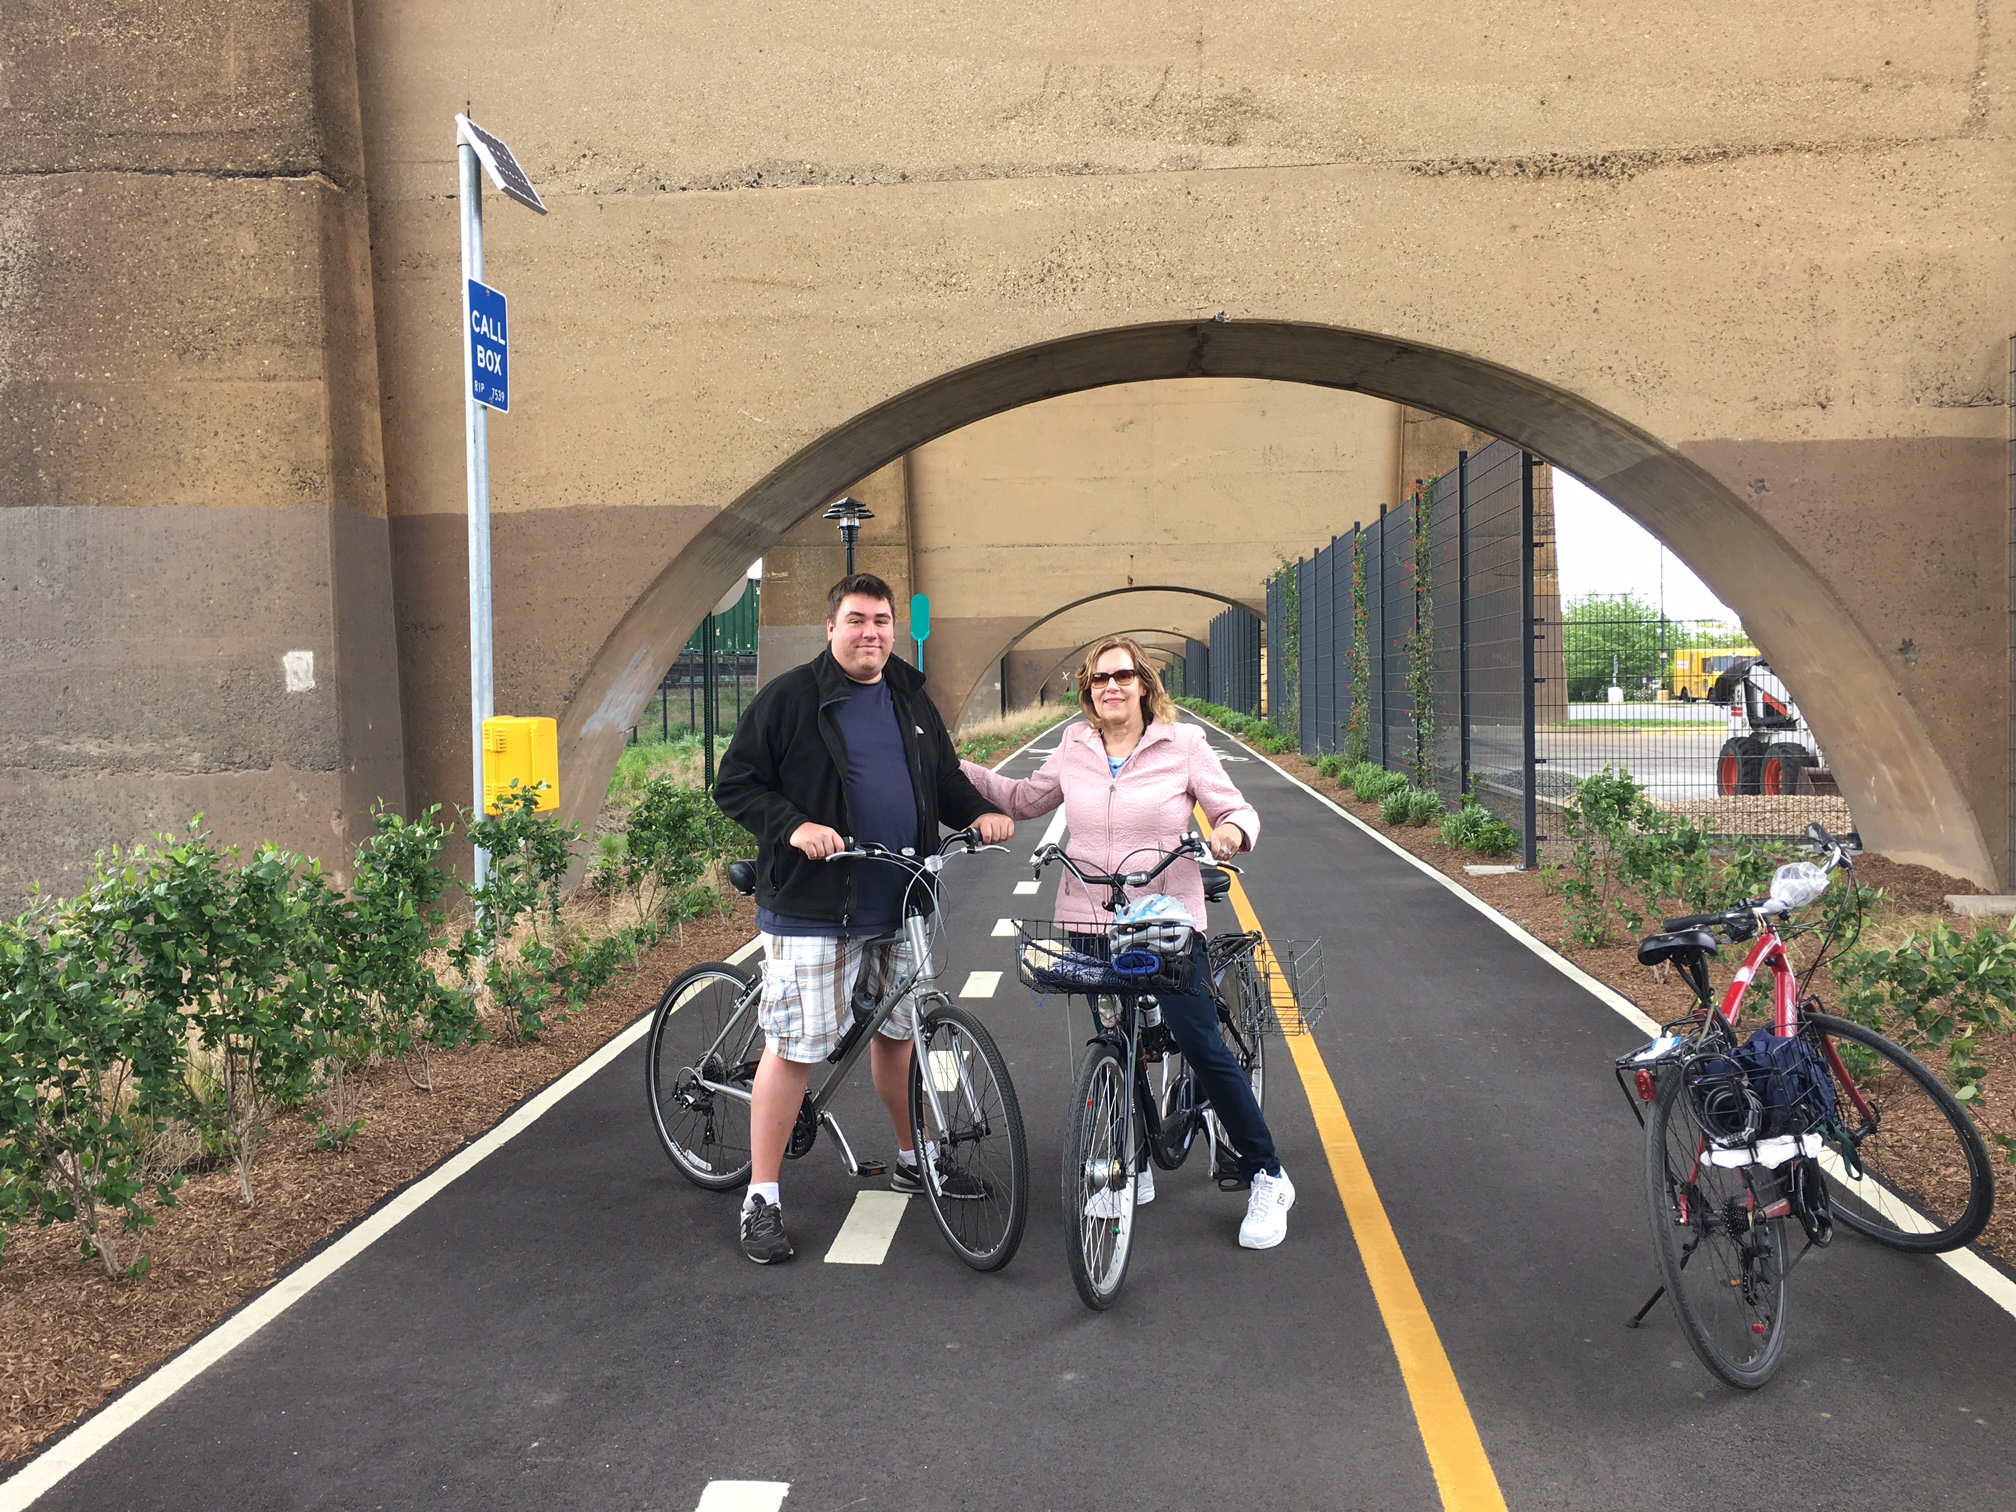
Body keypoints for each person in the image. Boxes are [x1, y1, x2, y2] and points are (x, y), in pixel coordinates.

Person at [713, 573, 1015, 1264]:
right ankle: (761, 1197)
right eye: (856, 620)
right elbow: (734, 783)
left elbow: (943, 780)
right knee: (796, 1047)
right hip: (816, 906)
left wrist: (977, 814)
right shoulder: (791, 698)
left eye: (880, 620)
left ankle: (917, 1158)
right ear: (831, 628)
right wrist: (793, 826)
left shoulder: (910, 696)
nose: (871, 632)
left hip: (900, 897)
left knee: (899, 1035)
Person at [960, 635, 1295, 1249]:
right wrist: (946, 767)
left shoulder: (1183, 745)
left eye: (1121, 676)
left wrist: (1226, 835)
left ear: (1143, 683)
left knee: (1199, 1044)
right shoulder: (1074, 746)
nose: (1110, 687)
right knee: (1116, 1044)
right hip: (1088, 921)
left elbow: (1238, 810)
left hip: (1166, 924)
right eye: (1097, 679)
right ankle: (1131, 1162)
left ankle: (1267, 1174)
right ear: (1088, 692)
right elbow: (1023, 798)